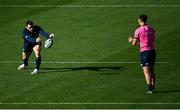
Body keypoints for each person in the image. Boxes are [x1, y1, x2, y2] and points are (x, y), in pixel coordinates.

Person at [128, 15, 156, 94]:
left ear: (140, 20)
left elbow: (134, 43)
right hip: (152, 51)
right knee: (152, 70)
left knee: (146, 72)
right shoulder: (151, 28)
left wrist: (131, 40)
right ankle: (153, 88)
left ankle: (149, 89)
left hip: (145, 52)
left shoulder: (138, 30)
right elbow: (153, 35)